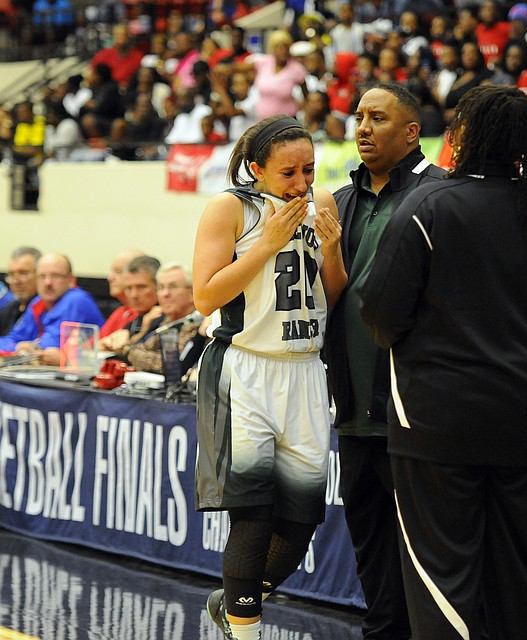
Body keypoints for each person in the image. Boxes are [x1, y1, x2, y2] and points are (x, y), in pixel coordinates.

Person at [359, 85, 527, 640]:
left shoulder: (426, 206)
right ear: (526, 142)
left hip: (434, 422)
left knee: (441, 573)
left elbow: (381, 313)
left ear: (460, 136)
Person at [192, 114, 346, 640]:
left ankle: (232, 601)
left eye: (309, 169)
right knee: (253, 516)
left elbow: (335, 293)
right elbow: (206, 296)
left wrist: (331, 251)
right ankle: (245, 631)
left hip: (305, 369)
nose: (302, 183)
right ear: (256, 169)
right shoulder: (230, 207)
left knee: (302, 520)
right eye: (288, 173)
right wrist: (265, 244)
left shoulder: (322, 203)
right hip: (245, 370)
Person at [325, 83, 446, 640]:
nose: (363, 127)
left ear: (412, 131)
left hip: (416, 414)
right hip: (352, 409)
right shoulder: (340, 201)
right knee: (370, 544)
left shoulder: (440, 195)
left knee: (422, 553)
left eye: (377, 117)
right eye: (358, 117)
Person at [0, 253, 103, 366]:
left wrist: (27, 347)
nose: (47, 282)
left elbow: (47, 349)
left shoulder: (76, 300)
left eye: (56, 276)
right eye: (42, 276)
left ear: (71, 280)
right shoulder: (38, 301)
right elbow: (12, 339)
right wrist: (17, 347)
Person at [126, 263, 207, 375]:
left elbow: (177, 367)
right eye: (161, 288)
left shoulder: (201, 324)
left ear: (192, 292)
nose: (165, 294)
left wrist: (138, 355)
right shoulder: (162, 320)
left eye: (173, 287)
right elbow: (135, 352)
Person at [100, 255, 161, 355]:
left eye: (141, 287)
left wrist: (141, 334)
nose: (134, 295)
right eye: (129, 288)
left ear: (158, 286)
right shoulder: (137, 317)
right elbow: (105, 344)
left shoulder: (165, 317)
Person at [100, 249, 144, 338]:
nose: (110, 278)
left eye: (118, 272)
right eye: (112, 271)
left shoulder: (146, 317)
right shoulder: (120, 312)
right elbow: (94, 345)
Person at [0, 247, 40, 337]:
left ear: (40, 274)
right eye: (12, 274)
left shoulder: (47, 309)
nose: (16, 281)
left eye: (23, 273)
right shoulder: (9, 309)